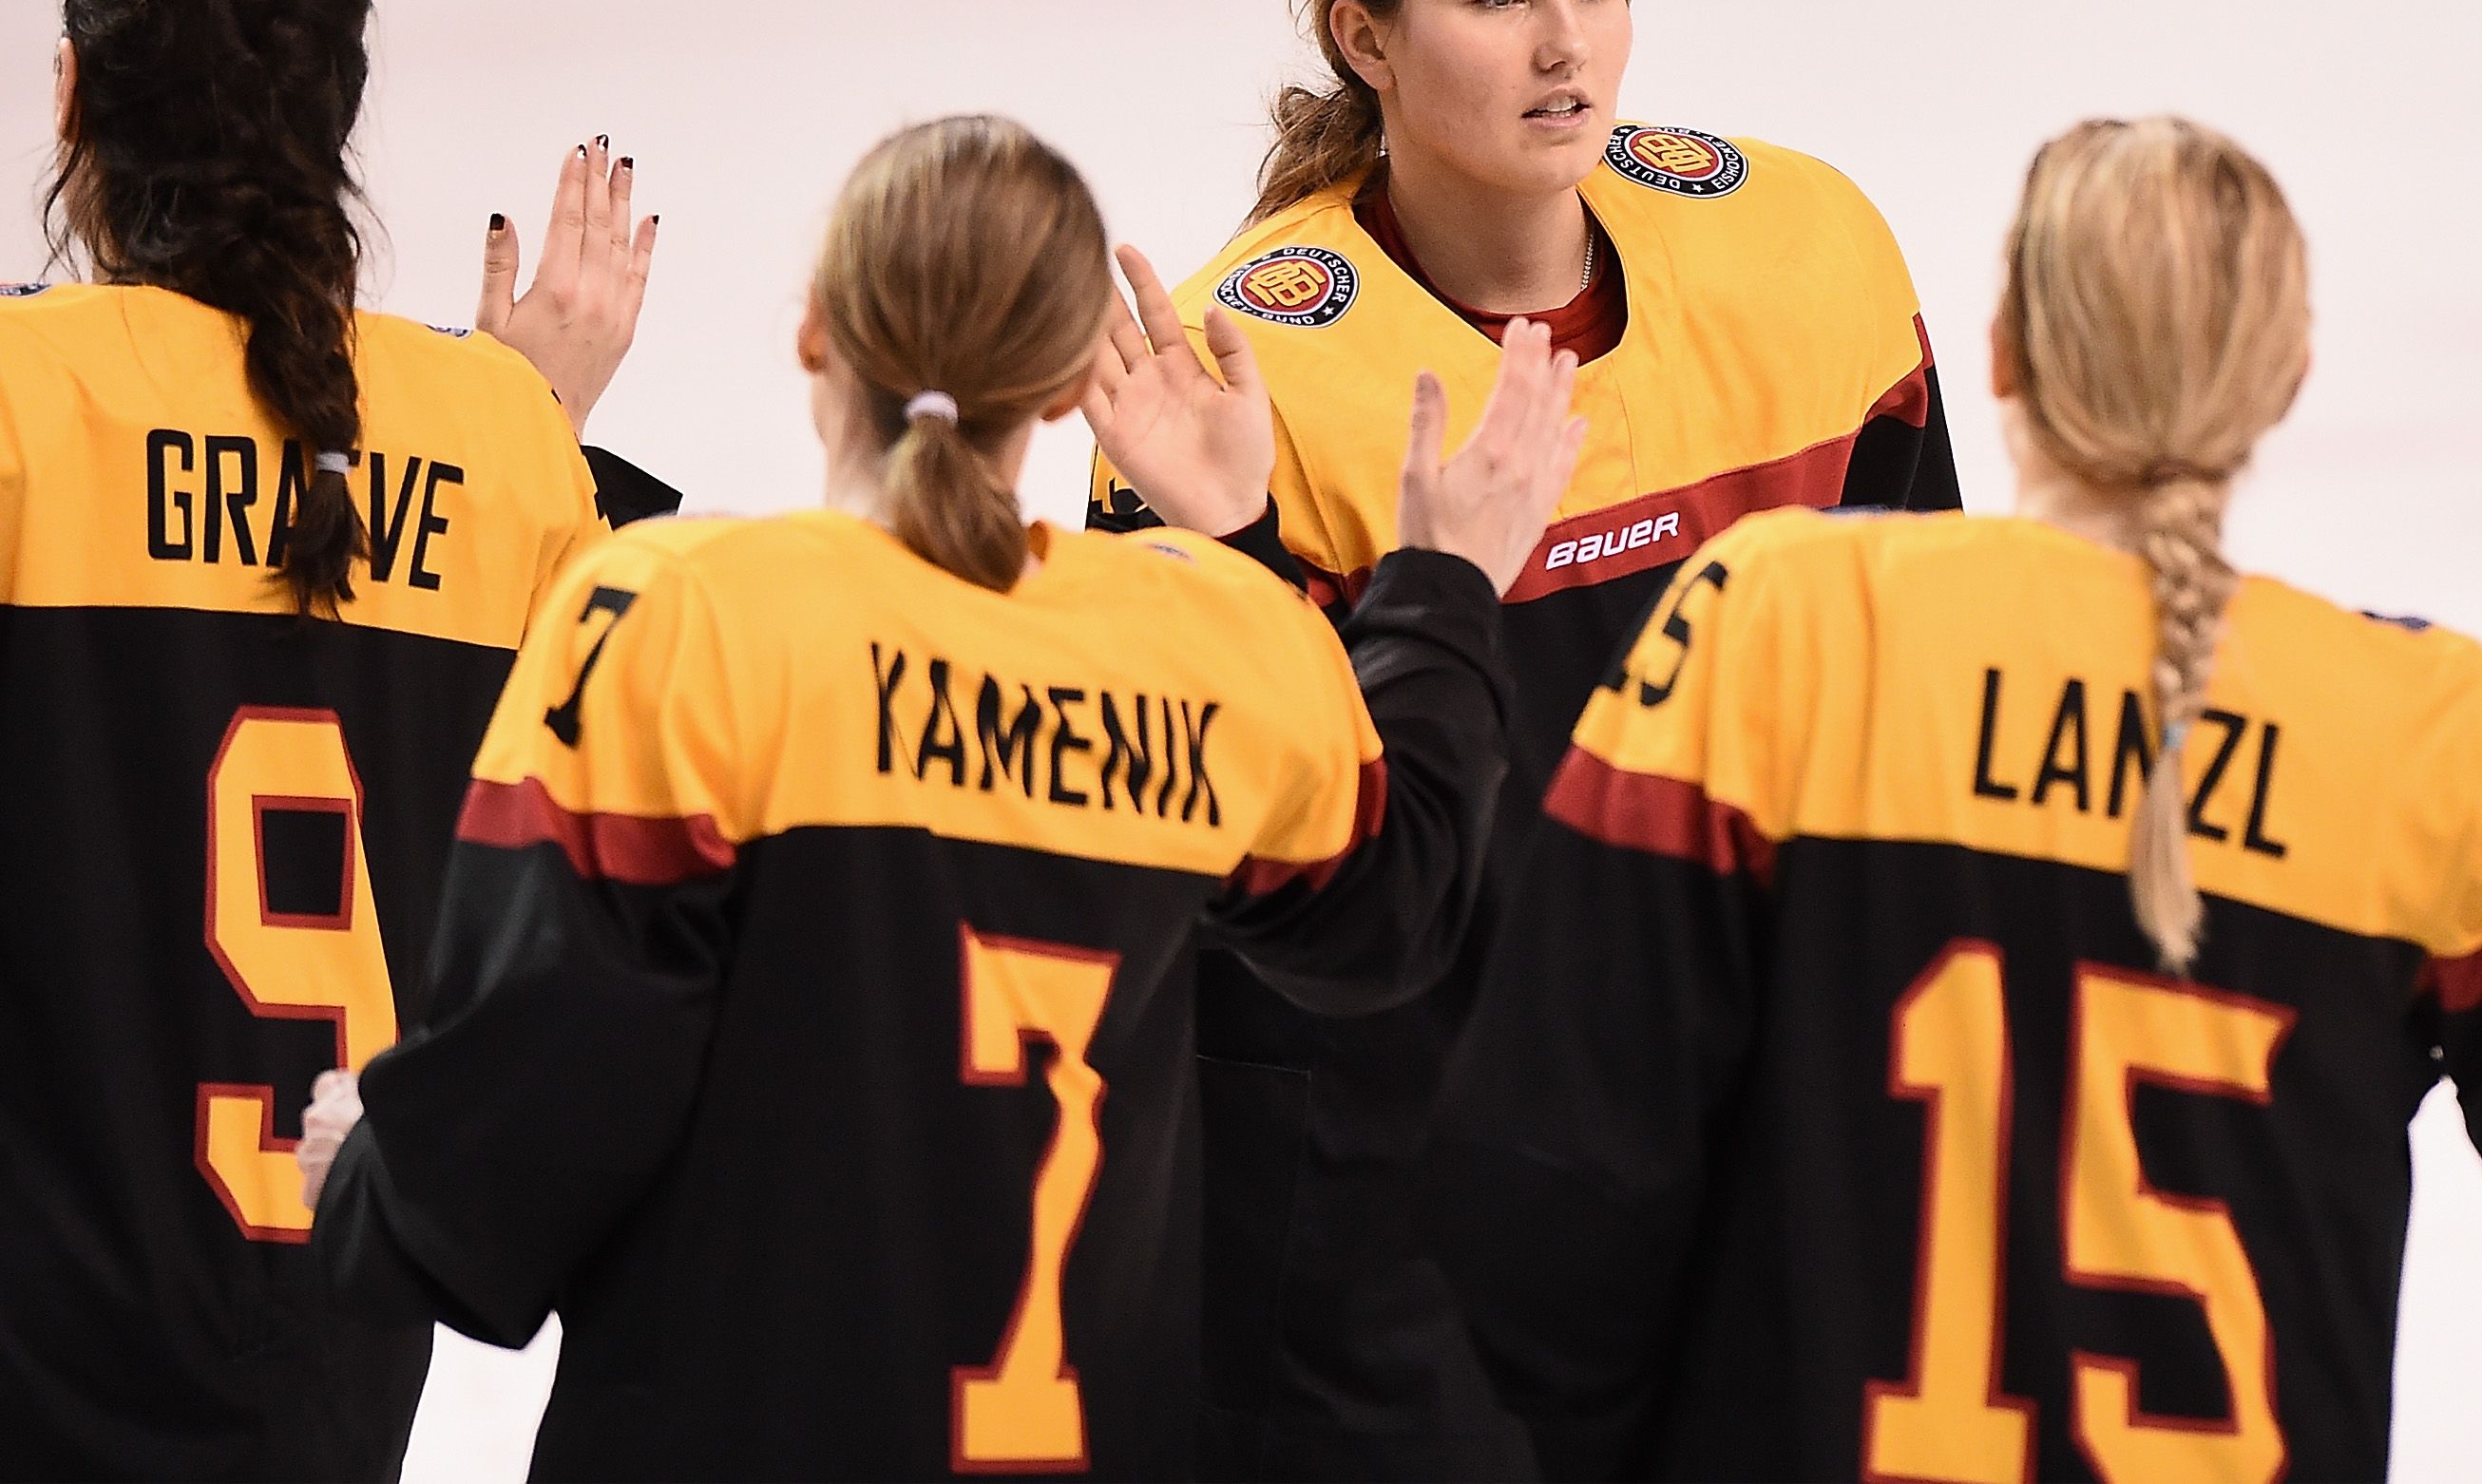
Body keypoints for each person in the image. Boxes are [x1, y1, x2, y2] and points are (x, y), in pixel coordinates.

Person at [1427, 116, 2482, 1480]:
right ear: (2288, 372)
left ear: (2006, 349)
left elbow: (1538, 1209)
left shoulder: (1780, 620)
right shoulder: (2438, 729)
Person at [296, 113, 1585, 1479]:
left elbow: (544, 1099)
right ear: (1059, 388)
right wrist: (1427, 580)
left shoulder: (688, 611)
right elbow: (1390, 909)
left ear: (814, 332)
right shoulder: (1211, 633)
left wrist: (379, 1180)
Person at [1087, 0, 1961, 1479]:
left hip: (1730, 1157)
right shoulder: (1239, 380)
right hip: (1381, 1226)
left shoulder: (1806, 259)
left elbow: (1913, 716)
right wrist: (1242, 543)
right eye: (1500, 0)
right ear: (1366, 36)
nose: (1568, 46)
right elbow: (1253, 876)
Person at [0, 0, 664, 1477]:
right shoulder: (498, 442)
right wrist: (543, 436)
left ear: (73, 93)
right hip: (339, 1357)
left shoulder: (23, 401)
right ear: (335, 122)